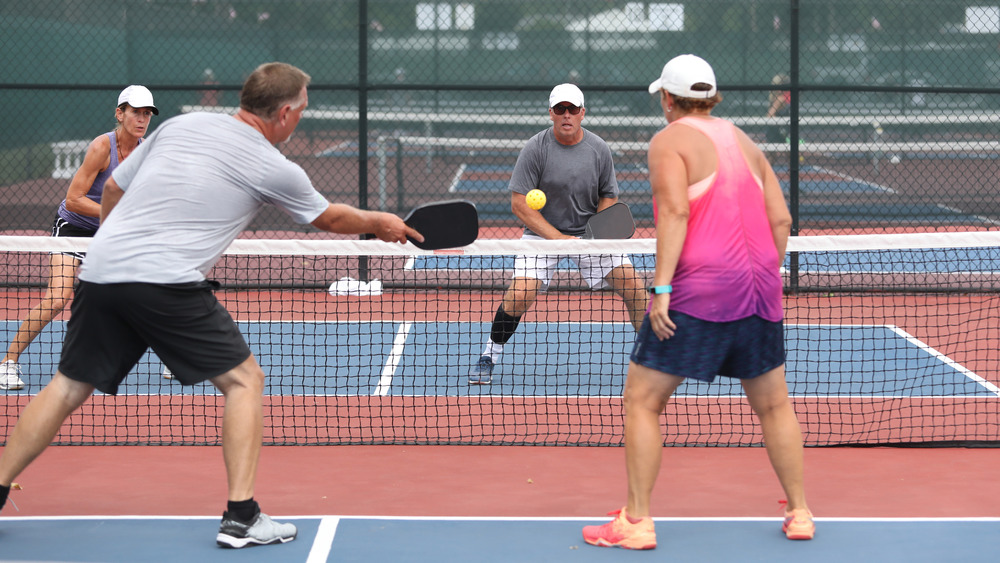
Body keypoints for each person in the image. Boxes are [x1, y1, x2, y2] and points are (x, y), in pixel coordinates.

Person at [0, 62, 423, 548]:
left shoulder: (180, 124)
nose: (301, 119)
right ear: (284, 113)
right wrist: (382, 222)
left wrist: (117, 242)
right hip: (165, 282)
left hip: (100, 271)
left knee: (68, 387)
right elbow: (328, 218)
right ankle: (242, 516)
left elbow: (113, 189)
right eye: (302, 111)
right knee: (245, 380)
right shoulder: (271, 164)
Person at [582, 55, 813, 549]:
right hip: (760, 288)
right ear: (711, 97)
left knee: (642, 401)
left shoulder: (668, 140)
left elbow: (674, 211)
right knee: (774, 405)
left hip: (698, 290)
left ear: (667, 98)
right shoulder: (746, 142)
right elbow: (781, 222)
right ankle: (800, 512)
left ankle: (637, 521)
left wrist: (661, 288)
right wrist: (765, 277)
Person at [468, 83, 647, 385]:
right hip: (541, 237)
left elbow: (609, 196)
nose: (567, 115)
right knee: (519, 295)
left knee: (635, 288)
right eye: (560, 109)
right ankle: (489, 354)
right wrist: (558, 239)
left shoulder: (598, 148)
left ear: (582, 113)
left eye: (572, 109)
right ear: (550, 113)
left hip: (589, 235)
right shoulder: (535, 148)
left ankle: (651, 359)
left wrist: (597, 232)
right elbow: (519, 205)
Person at [0, 85, 158, 391]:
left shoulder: (146, 152)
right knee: (58, 298)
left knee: (148, 293)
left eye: (147, 114)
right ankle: (7, 363)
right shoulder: (102, 147)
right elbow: (73, 200)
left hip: (110, 233)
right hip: (74, 230)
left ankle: (172, 356)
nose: (141, 119)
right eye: (136, 112)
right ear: (119, 113)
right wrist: (114, 213)